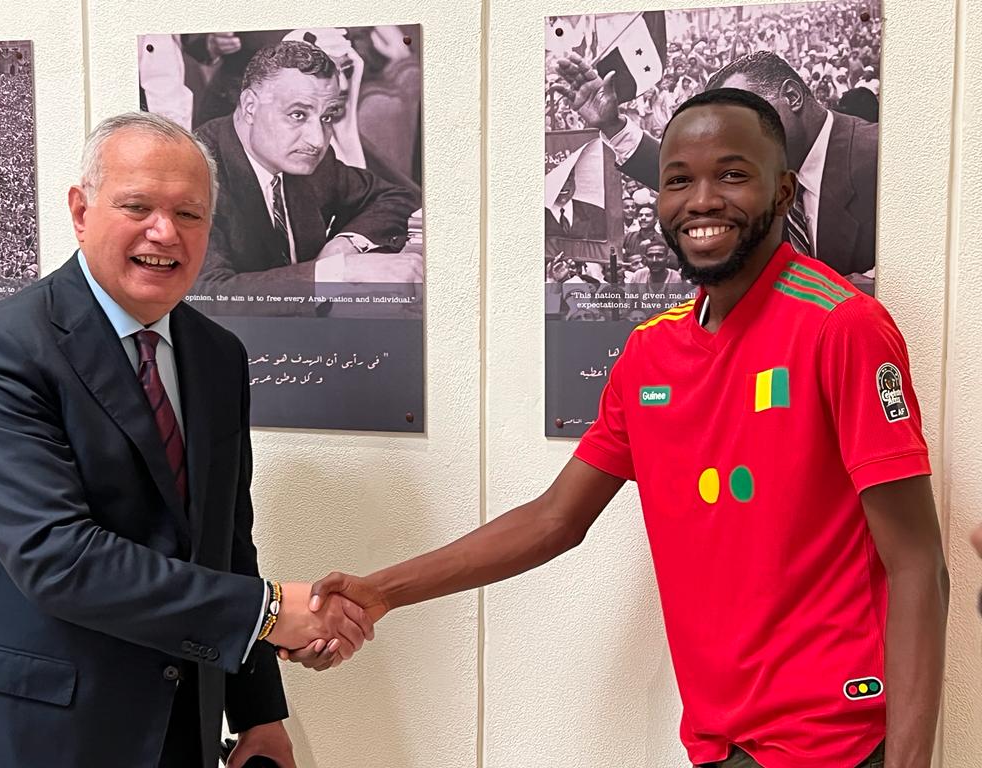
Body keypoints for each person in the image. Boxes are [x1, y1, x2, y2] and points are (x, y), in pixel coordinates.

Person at [294, 90, 949, 768]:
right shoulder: (650, 353)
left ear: (783, 192)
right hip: (720, 742)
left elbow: (918, 566)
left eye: (732, 174)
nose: (702, 200)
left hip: (837, 743)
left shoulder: (842, 326)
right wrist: (382, 592)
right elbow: (554, 518)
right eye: (678, 180)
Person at [0, 112, 374, 768]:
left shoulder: (218, 356)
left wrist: (258, 714)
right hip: (41, 731)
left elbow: (226, 543)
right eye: (137, 207)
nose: (164, 232)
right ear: (81, 211)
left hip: (184, 729)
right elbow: (55, 556)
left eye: (189, 213)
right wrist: (269, 613)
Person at [551, 50, 879, 278]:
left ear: (792, 97)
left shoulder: (881, 158)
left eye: (745, 117)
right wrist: (613, 126)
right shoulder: (763, 164)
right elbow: (687, 179)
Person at [194, 40, 420, 293]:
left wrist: (344, 246)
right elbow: (207, 294)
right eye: (298, 114)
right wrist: (338, 273)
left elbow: (395, 197)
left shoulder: (306, 159)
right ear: (250, 106)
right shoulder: (191, 173)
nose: (317, 140)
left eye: (327, 117)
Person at [544, 169, 607, 240]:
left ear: (573, 178)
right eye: (555, 180)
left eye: (567, 178)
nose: (563, 186)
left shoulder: (598, 215)